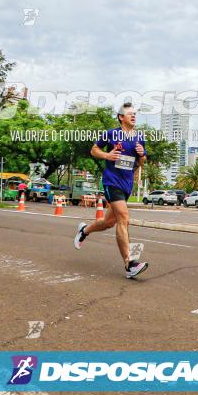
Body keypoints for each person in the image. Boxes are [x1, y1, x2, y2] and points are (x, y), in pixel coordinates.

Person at [73, 102, 149, 278]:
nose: (133, 115)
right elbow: (94, 150)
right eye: (130, 113)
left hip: (127, 185)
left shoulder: (139, 138)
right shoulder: (111, 134)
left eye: (135, 113)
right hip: (111, 182)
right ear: (121, 117)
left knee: (108, 222)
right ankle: (130, 264)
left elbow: (140, 163)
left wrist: (142, 154)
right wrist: (107, 155)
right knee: (124, 217)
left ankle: (84, 230)